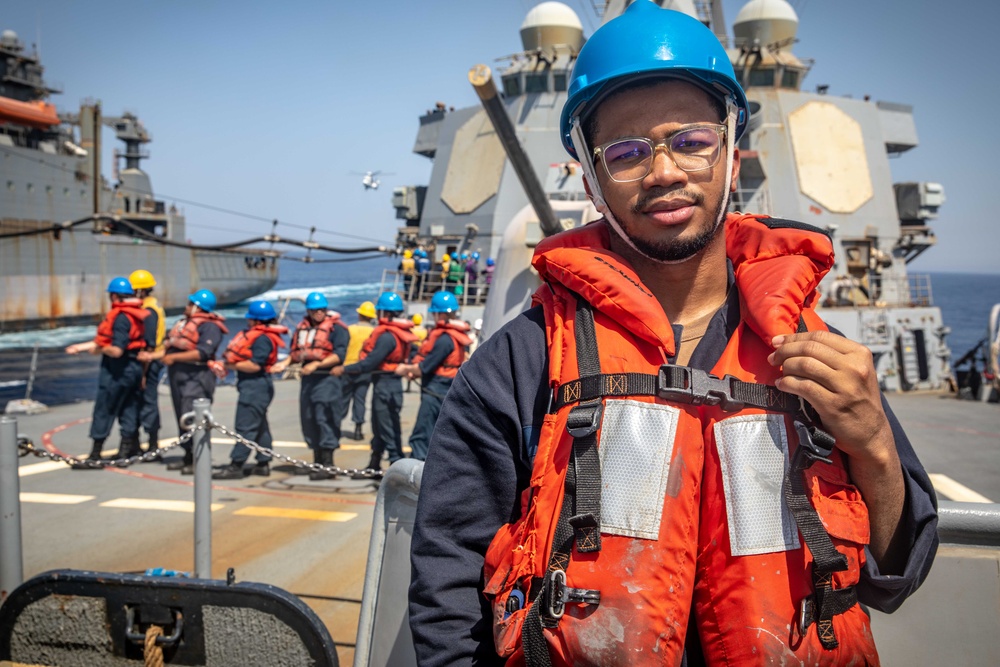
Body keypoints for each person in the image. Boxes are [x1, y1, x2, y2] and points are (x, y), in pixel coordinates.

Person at [408, 4, 938, 665]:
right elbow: (447, 584)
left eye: (690, 139)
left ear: (731, 152)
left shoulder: (817, 354)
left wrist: (877, 449)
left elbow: (899, 573)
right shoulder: (523, 360)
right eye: (626, 152)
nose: (663, 171)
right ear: (593, 180)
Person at [65, 277, 148, 462]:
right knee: (129, 409)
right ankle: (126, 452)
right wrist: (81, 347)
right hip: (134, 367)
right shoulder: (135, 315)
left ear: (113, 296)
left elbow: (116, 350)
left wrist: (99, 349)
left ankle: (95, 454)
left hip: (117, 371)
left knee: (105, 409)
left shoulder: (120, 318)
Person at [145, 289, 227, 474]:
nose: (187, 307)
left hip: (197, 376)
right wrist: (151, 356)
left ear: (199, 308)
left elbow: (203, 352)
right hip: (179, 376)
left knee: (193, 417)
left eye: (191, 304)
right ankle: (188, 456)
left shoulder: (209, 327)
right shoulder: (183, 324)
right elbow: (170, 348)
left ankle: (198, 459)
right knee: (182, 415)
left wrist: (174, 359)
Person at [332, 291, 416, 471]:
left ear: (384, 313)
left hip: (386, 385)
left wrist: (344, 369)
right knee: (379, 426)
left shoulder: (386, 337)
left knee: (387, 428)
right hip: (386, 384)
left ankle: (397, 465)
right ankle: (374, 464)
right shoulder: (397, 334)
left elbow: (370, 362)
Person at [272, 292, 349, 480]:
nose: (319, 313)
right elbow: (295, 352)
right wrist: (284, 363)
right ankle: (316, 462)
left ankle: (328, 464)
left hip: (327, 380)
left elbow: (339, 354)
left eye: (322, 310)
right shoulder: (303, 329)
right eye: (315, 310)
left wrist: (317, 364)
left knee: (325, 418)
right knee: (309, 418)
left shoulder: (337, 329)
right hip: (308, 381)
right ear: (308, 311)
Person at [212, 300, 288, 480]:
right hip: (256, 386)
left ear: (254, 320)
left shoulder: (261, 339)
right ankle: (263, 462)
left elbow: (255, 366)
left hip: (256, 387)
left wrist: (229, 365)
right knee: (260, 425)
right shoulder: (263, 335)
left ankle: (236, 465)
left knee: (245, 426)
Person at [395, 291, 471, 461]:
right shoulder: (455, 336)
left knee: (422, 434)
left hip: (435, 389)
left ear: (440, 313)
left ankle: (417, 471)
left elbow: (426, 367)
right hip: (446, 387)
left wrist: (404, 369)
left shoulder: (444, 339)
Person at [128, 269, 165, 457]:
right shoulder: (150, 307)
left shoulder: (148, 312)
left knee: (148, 401)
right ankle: (138, 443)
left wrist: (142, 373)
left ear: (141, 291)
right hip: (148, 361)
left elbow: (149, 344)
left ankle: (152, 445)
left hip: (149, 363)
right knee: (139, 401)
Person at [342, 300, 376, 441]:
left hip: (348, 368)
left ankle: (335, 425)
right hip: (365, 370)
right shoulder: (374, 332)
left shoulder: (350, 329)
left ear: (360, 315)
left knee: (343, 399)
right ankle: (358, 430)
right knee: (360, 400)